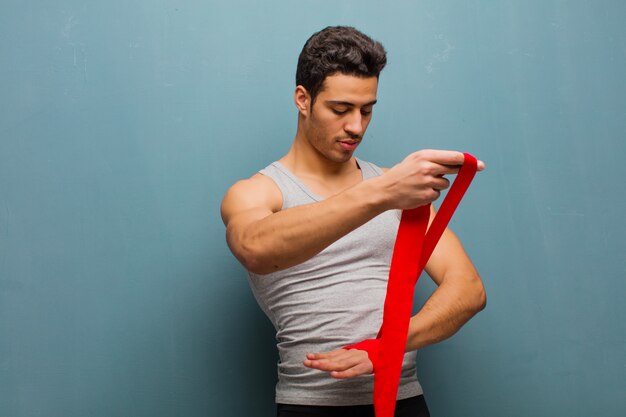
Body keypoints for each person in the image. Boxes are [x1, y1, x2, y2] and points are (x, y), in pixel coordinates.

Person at [221, 26, 486, 417]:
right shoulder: (258, 192)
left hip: (403, 401)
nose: (356, 127)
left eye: (367, 110)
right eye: (341, 110)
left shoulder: (398, 189)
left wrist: (383, 348)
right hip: (309, 405)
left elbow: (468, 290)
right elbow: (255, 248)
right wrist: (381, 192)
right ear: (303, 99)